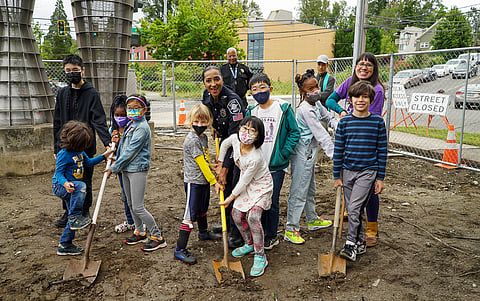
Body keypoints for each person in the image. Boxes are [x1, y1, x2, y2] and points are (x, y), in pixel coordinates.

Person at [325, 52, 385, 247]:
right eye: (361, 64)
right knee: (350, 183)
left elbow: (369, 119)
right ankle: (353, 216)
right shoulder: (350, 82)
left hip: (367, 144)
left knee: (370, 190)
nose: (364, 67)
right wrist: (342, 112)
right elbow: (330, 100)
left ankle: (371, 227)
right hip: (349, 138)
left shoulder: (377, 90)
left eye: (369, 65)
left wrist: (351, 121)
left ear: (374, 69)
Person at [53, 54, 110, 228]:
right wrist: (56, 148)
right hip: (65, 149)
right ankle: (69, 212)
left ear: (82, 70)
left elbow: (99, 120)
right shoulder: (62, 93)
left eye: (75, 70)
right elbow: (57, 122)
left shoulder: (92, 94)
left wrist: (107, 142)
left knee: (85, 180)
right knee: (67, 182)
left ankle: (84, 211)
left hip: (85, 147)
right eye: (68, 71)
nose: (72, 74)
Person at [333, 81, 388, 261]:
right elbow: (338, 150)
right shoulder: (345, 122)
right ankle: (360, 241)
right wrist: (336, 175)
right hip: (348, 170)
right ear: (350, 100)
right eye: (357, 96)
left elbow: (382, 151)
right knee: (352, 208)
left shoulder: (377, 122)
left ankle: (350, 245)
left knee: (355, 207)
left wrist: (380, 177)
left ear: (371, 100)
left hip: (368, 171)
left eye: (365, 96)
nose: (361, 100)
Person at [245, 73, 300, 250]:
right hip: (256, 167)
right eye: (254, 89)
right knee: (257, 201)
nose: (259, 92)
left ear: (270, 88)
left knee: (272, 201)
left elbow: (294, 132)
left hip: (275, 165)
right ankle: (257, 233)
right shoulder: (252, 112)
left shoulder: (282, 109)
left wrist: (284, 153)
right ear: (251, 93)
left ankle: (271, 235)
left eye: (262, 87)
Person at [106, 94, 167, 252]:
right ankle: (140, 231)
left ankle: (157, 236)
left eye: (136, 108)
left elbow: (131, 152)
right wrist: (115, 159)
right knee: (131, 203)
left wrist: (113, 168)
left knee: (139, 206)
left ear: (144, 109)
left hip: (137, 169)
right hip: (126, 168)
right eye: (129, 108)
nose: (131, 111)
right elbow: (123, 149)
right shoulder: (130, 124)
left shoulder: (142, 128)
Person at [284, 69, 337, 245]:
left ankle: (312, 219)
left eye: (316, 86)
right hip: (302, 153)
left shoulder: (317, 104)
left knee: (310, 187)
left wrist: (341, 125)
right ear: (303, 91)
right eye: (310, 88)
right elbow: (321, 133)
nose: (315, 90)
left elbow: (328, 118)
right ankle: (291, 228)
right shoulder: (305, 109)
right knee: (299, 189)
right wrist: (334, 155)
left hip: (310, 152)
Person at [217, 116, 273, 277]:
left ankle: (260, 254)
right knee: (236, 215)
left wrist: (230, 198)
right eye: (244, 128)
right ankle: (249, 242)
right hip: (246, 184)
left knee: (254, 217)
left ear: (258, 136)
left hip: (261, 186)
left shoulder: (255, 157)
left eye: (252, 130)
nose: (246, 133)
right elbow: (225, 144)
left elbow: (243, 181)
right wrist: (220, 163)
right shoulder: (235, 139)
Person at [52, 121, 114, 255]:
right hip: (60, 186)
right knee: (81, 186)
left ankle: (65, 245)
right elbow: (58, 174)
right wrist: (65, 184)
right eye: (81, 145)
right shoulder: (64, 154)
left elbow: (89, 163)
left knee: (73, 216)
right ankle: (75, 217)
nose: (83, 148)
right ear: (73, 143)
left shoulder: (80, 152)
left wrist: (105, 155)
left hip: (73, 189)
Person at [201, 66, 246, 249]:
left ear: (222, 79)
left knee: (233, 186)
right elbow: (207, 113)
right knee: (225, 189)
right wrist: (212, 125)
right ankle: (227, 222)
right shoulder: (206, 96)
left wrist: (224, 167)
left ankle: (237, 233)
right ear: (204, 83)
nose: (213, 84)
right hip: (222, 142)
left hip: (238, 148)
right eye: (208, 80)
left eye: (216, 79)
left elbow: (235, 138)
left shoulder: (233, 101)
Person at [174, 104, 222, 265]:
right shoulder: (192, 140)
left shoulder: (203, 137)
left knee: (202, 208)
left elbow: (205, 160)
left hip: (203, 181)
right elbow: (200, 164)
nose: (200, 125)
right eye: (196, 122)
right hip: (194, 182)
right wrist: (214, 181)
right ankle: (180, 249)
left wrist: (212, 166)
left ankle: (203, 233)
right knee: (190, 214)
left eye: (203, 122)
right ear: (190, 121)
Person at [108, 95, 135, 233]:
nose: (120, 118)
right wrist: (112, 145)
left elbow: (131, 150)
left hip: (132, 168)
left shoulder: (133, 129)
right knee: (125, 196)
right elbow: (111, 149)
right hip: (121, 170)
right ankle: (131, 221)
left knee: (133, 197)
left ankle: (137, 222)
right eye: (117, 115)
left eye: (123, 115)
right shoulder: (113, 130)